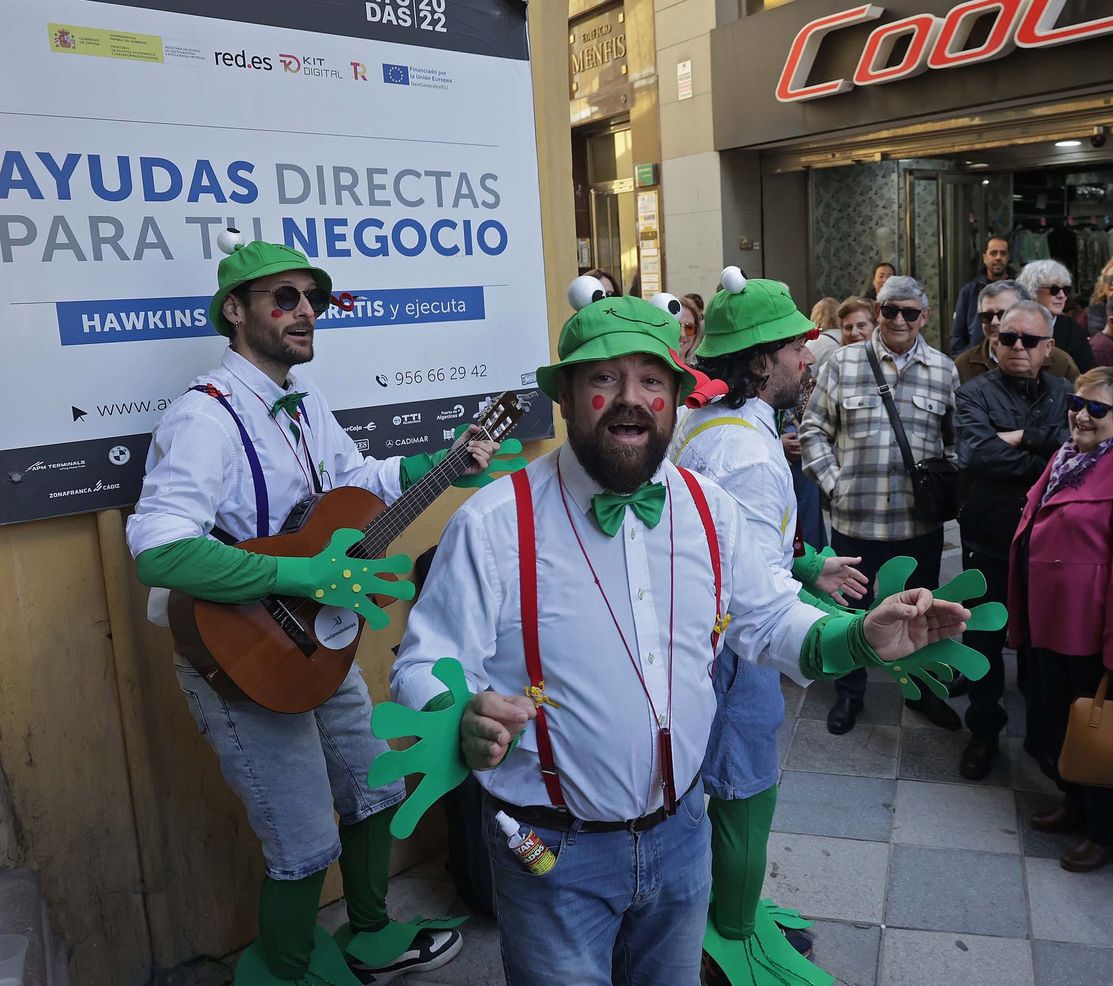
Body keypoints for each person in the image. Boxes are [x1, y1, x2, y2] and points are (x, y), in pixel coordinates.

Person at [390, 284, 975, 986]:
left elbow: (767, 618)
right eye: (604, 378)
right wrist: (458, 715)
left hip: (681, 836)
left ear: (676, 395)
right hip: (550, 852)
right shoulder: (492, 525)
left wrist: (858, 638)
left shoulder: (709, 510)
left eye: (651, 380)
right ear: (569, 398)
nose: (631, 397)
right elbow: (424, 664)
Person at [124, 237, 508, 983]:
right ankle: (292, 971)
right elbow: (160, 552)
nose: (305, 313)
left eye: (313, 300)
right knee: (301, 845)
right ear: (234, 311)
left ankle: (369, 934)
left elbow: (358, 481)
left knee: (376, 787)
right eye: (285, 298)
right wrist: (306, 573)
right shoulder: (203, 419)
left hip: (320, 647)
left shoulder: (304, 407)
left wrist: (443, 465)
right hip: (240, 661)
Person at [669, 271, 870, 983]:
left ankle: (736, 907)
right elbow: (749, 594)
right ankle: (734, 934)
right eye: (795, 347)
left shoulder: (710, 422)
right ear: (760, 362)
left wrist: (805, 562)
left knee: (724, 786)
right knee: (748, 786)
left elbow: (728, 546)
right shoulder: (750, 456)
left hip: (705, 643)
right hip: (732, 653)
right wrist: (828, 621)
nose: (808, 359)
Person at [1009, 367, 1113, 873]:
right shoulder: (1066, 456)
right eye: (1076, 404)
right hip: (1052, 620)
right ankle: (1075, 804)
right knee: (1058, 720)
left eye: (1096, 409)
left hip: (1095, 631)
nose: (1081, 415)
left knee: (1101, 731)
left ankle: (1108, 831)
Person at [799, 274, 963, 735]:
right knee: (850, 610)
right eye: (890, 310)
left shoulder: (943, 370)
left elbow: (953, 446)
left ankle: (922, 692)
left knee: (922, 610)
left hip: (917, 525)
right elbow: (813, 431)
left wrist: (944, 493)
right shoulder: (843, 364)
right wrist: (835, 486)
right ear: (877, 310)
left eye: (910, 312)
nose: (899, 320)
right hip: (856, 522)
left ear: (924, 317)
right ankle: (850, 694)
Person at [953, 300, 1073, 780]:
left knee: (1042, 645)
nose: (1017, 347)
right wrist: (1043, 454)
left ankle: (1044, 739)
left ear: (1048, 347)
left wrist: (1019, 437)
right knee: (983, 638)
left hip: (1050, 543)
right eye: (1008, 338)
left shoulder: (1067, 391)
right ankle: (983, 732)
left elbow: (1077, 449)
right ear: (994, 342)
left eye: (1029, 340)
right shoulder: (975, 392)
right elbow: (976, 453)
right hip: (989, 534)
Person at [954, 281, 1080, 385]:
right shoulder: (963, 365)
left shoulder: (1061, 363)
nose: (994, 322)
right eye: (987, 316)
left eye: (1004, 314)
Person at [1017, 258, 1097, 373]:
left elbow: (1088, 375)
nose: (1061, 295)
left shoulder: (1073, 331)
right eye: (1054, 290)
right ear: (1032, 290)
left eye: (1066, 290)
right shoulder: (1014, 324)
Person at [950, 236, 1015, 354]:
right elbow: (958, 335)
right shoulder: (969, 291)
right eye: (993, 253)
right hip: (977, 361)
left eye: (1003, 253)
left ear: (1008, 257)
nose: (998, 258)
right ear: (985, 258)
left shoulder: (1020, 289)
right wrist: (963, 362)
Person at [809, 295, 874, 367]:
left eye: (861, 326)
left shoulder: (885, 360)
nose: (854, 333)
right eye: (848, 327)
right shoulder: (834, 364)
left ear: (875, 326)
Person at [677, 293, 704, 358]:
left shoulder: (696, 367)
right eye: (676, 326)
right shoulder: (650, 368)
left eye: (689, 327)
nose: (682, 334)